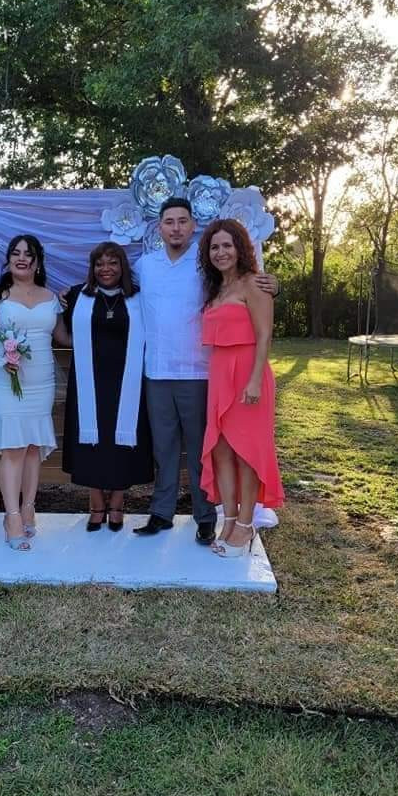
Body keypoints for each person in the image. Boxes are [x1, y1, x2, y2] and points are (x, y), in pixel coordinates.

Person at [133, 197, 278, 544]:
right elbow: (111, 283)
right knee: (164, 449)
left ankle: (205, 516)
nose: (176, 228)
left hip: (199, 373)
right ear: (159, 227)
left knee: (204, 449)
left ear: (193, 225)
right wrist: (67, 296)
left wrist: (276, 284)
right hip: (157, 371)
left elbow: (246, 287)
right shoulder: (144, 265)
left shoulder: (205, 267)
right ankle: (161, 512)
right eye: (169, 222)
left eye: (182, 221)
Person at [198, 218, 284, 556]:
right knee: (221, 450)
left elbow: (264, 335)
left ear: (240, 248)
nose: (221, 252)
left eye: (227, 245)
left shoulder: (255, 283)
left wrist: (255, 380)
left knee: (246, 452)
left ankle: (247, 525)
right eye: (214, 247)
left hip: (249, 372)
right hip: (220, 373)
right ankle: (230, 518)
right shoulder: (215, 289)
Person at [0, 235, 70, 551]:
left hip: (42, 381)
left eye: (28, 254)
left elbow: (62, 337)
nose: (21, 258)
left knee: (33, 447)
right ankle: (12, 517)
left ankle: (29, 507)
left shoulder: (51, 297)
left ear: (37, 261)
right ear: (8, 259)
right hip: (4, 379)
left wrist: (90, 323)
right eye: (15, 253)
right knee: (14, 447)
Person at [62, 242, 154, 531]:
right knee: (92, 442)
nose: (106, 269)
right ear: (92, 268)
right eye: (99, 263)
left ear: (123, 267)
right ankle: (96, 505)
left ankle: (117, 504)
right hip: (88, 382)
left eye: (113, 263)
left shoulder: (139, 297)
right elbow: (61, 333)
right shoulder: (76, 296)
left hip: (128, 382)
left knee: (121, 443)